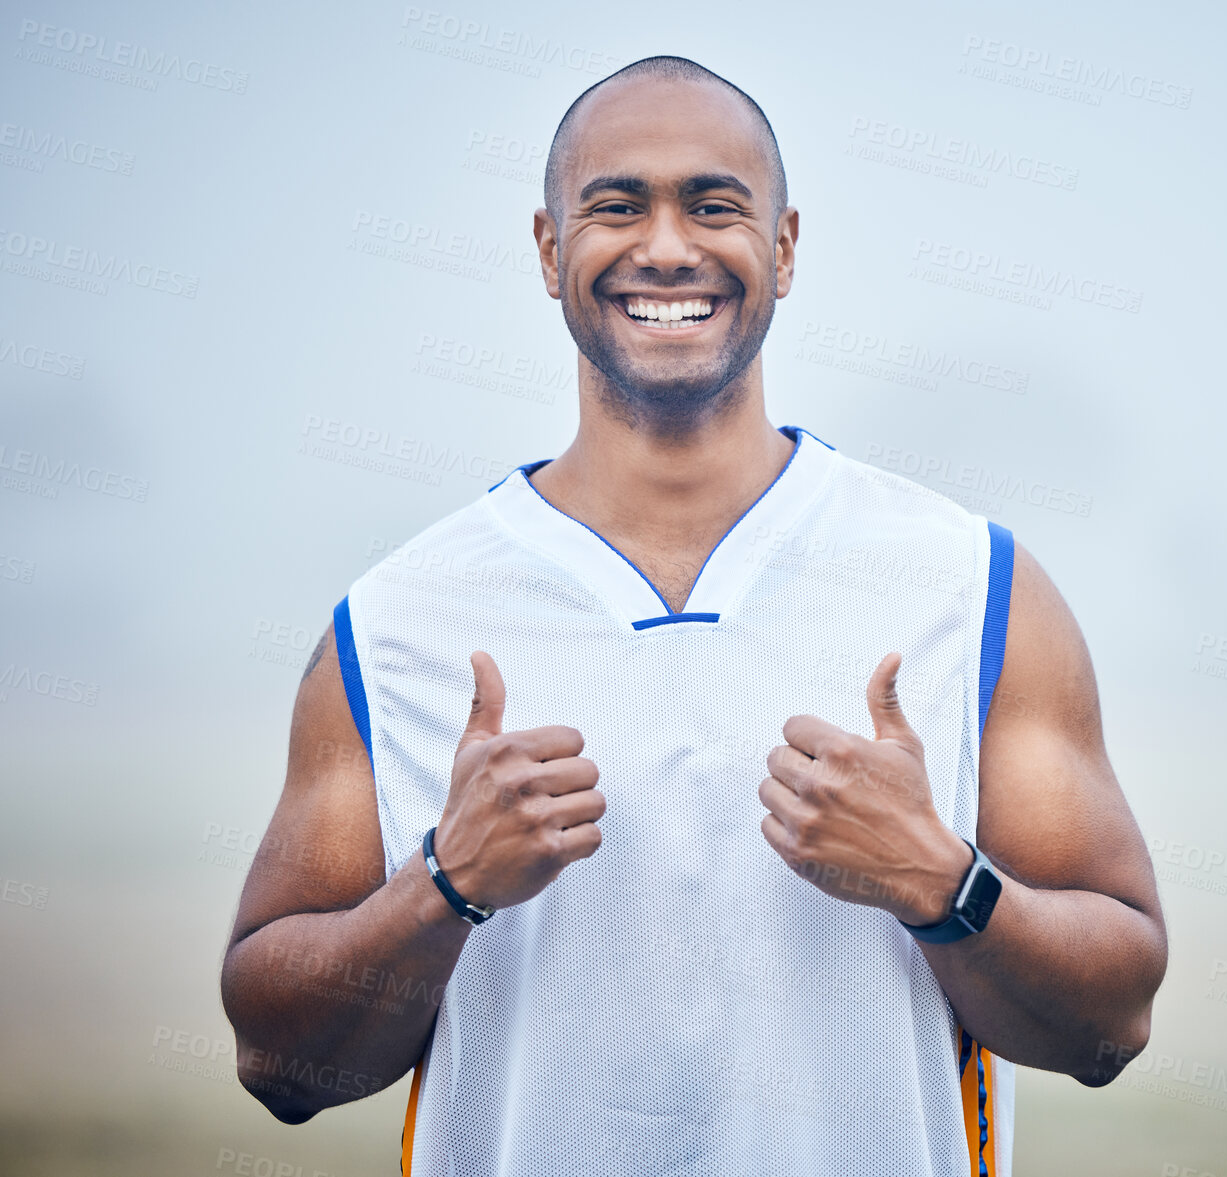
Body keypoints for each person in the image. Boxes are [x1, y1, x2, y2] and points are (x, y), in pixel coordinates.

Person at [221, 54, 1166, 1177]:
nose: (666, 246)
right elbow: (276, 1063)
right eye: (616, 205)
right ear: (546, 248)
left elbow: (1113, 1026)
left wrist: (938, 879)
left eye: (713, 205)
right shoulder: (395, 621)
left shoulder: (972, 584)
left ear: (783, 246)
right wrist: (444, 882)